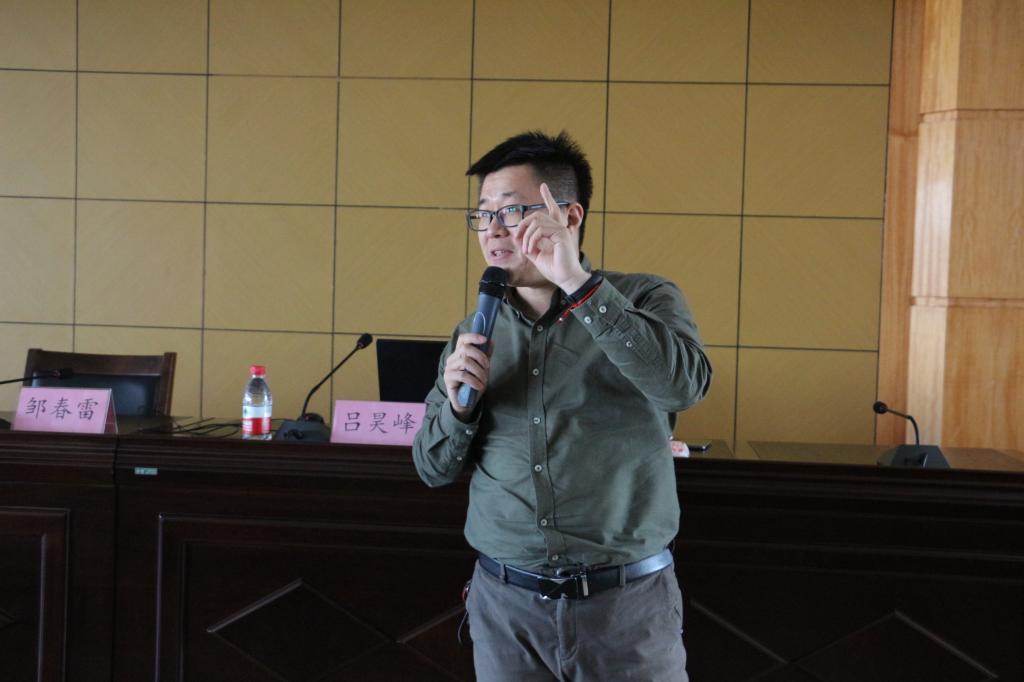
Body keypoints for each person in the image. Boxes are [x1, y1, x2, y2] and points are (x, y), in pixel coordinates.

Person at [412, 130, 711, 681]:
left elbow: (683, 387)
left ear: (569, 216)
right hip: (506, 608)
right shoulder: (474, 329)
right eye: (483, 214)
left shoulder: (644, 297)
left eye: (512, 211)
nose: (494, 230)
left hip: (625, 608)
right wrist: (458, 410)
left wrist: (575, 281)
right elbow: (432, 468)